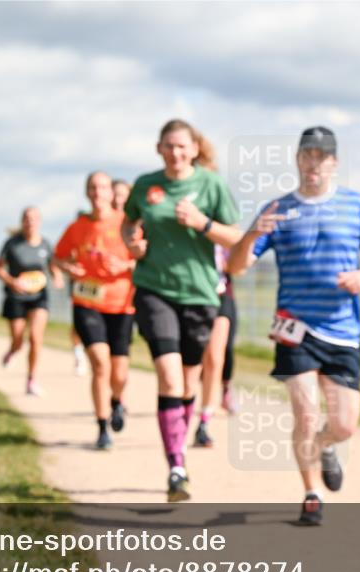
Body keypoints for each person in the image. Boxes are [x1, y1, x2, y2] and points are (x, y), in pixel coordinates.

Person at [228, 126, 360, 526]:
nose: (313, 162)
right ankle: (312, 493)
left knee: (344, 425)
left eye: (321, 155)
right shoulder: (276, 210)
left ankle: (326, 446)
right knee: (303, 413)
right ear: (298, 160)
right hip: (294, 328)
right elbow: (236, 267)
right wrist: (252, 235)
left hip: (342, 331)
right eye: (307, 155)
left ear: (333, 162)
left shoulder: (356, 205)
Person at [122, 119, 242, 501]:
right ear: (159, 148)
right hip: (154, 290)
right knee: (170, 379)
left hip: (201, 295)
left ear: (194, 149)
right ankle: (176, 466)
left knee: (189, 382)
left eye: (182, 147)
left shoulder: (212, 185)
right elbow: (128, 224)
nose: (175, 153)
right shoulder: (145, 185)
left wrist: (202, 222)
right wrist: (132, 243)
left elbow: (237, 238)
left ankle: (179, 448)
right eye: (168, 146)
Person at [55, 172, 137, 449]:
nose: (97, 192)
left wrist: (124, 267)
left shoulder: (126, 224)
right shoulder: (77, 226)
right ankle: (102, 427)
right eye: (92, 187)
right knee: (100, 364)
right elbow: (58, 257)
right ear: (86, 192)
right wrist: (69, 268)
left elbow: (145, 258)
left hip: (122, 304)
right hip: (87, 303)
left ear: (110, 192)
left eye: (102, 187)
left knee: (119, 372)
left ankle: (116, 401)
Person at [0, 207, 64, 397]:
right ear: (22, 221)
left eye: (34, 218)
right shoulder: (12, 244)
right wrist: (12, 281)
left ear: (39, 221)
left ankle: (31, 379)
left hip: (39, 297)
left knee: (35, 337)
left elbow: (53, 266)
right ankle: (12, 351)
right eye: (27, 218)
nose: (30, 221)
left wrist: (57, 277)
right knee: (18, 341)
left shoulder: (45, 244)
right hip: (16, 297)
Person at [192, 244, 239, 447]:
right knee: (193, 358)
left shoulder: (225, 227)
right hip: (191, 295)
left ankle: (203, 422)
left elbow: (239, 266)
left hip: (220, 295)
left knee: (216, 356)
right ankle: (182, 406)